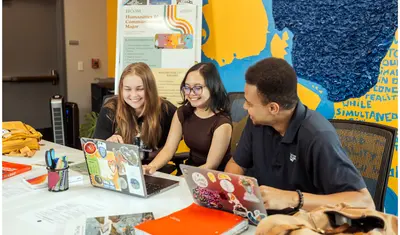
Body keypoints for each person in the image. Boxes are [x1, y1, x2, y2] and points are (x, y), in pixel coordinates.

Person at [224, 57, 374, 212]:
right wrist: (238, 193)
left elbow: (364, 202)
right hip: (260, 218)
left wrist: (293, 198)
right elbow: (236, 164)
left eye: (249, 103)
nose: (244, 106)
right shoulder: (257, 121)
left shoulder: (319, 136)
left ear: (273, 108)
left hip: (301, 223)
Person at [143, 62, 232, 174]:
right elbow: (169, 149)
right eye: (187, 87)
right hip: (189, 170)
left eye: (197, 88)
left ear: (212, 87)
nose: (191, 93)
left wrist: (184, 178)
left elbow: (211, 165)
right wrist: (151, 167)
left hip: (213, 177)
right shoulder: (183, 112)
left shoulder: (222, 123)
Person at [93, 62, 176, 160]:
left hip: (154, 167)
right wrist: (108, 144)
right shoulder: (110, 110)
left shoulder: (166, 110)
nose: (133, 95)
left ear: (150, 89)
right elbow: (97, 150)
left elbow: (170, 148)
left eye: (140, 89)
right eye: (127, 89)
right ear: (121, 89)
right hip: (119, 167)